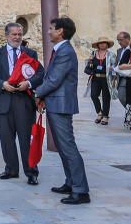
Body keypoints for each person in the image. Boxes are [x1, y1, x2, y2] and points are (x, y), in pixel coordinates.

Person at [22, 17, 90, 205]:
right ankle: (71, 182)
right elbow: (51, 77)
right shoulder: (60, 50)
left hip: (61, 105)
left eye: (52, 28)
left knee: (68, 147)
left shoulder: (65, 52)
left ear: (61, 31)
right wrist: (43, 97)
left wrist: (37, 94)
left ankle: (81, 190)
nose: (49, 31)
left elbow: (54, 80)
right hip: (55, 103)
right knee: (62, 146)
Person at [0, 23, 43, 183]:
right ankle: (11, 169)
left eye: (19, 34)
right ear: (6, 35)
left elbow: (39, 74)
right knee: (6, 139)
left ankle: (31, 173)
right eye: (14, 34)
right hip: (3, 101)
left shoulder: (30, 53)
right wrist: (2, 84)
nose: (17, 37)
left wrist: (29, 84)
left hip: (24, 102)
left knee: (26, 140)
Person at [83, 36, 113, 125]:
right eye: (100, 43)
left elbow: (115, 68)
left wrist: (112, 70)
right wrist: (91, 72)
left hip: (106, 79)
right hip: (95, 78)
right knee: (93, 95)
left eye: (104, 43)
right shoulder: (93, 55)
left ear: (107, 45)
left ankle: (105, 116)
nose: (102, 44)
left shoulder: (111, 55)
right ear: (98, 45)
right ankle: (99, 113)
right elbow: (87, 68)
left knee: (106, 98)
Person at [110, 31, 131, 111]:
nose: (119, 42)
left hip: (130, 76)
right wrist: (114, 75)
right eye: (118, 40)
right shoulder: (119, 50)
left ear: (128, 39)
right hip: (120, 77)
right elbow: (117, 63)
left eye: (121, 40)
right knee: (122, 96)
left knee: (123, 96)